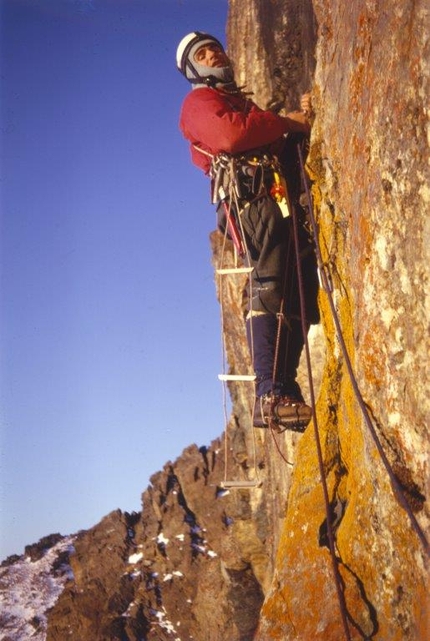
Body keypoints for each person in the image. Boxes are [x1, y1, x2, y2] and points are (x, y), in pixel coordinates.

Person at [176, 32, 319, 431]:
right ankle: (270, 392)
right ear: (194, 70)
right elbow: (230, 136)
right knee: (271, 280)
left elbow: (263, 134)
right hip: (251, 199)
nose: (213, 54)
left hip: (271, 192)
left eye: (215, 48)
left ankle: (283, 386)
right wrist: (286, 121)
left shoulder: (239, 104)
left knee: (300, 287)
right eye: (203, 54)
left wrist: (297, 120)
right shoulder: (199, 102)